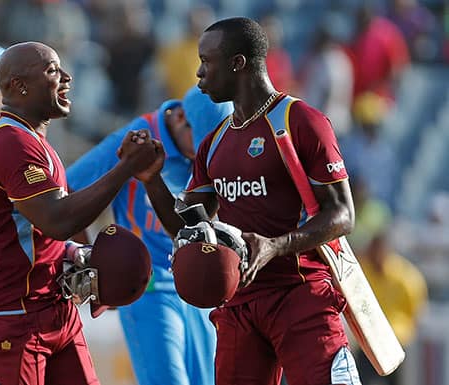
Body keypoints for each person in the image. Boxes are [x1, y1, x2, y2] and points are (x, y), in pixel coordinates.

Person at [138, 17, 362, 385]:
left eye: (207, 62)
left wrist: (277, 246)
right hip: (240, 303)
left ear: (238, 63)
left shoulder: (300, 120)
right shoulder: (214, 142)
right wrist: (151, 180)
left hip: (301, 293)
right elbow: (189, 230)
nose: (198, 73)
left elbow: (343, 214)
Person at [0, 41, 160, 385]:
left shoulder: (32, 138)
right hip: (9, 314)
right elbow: (58, 219)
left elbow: (33, 231)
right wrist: (125, 169)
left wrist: (72, 254)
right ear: (19, 86)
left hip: (50, 307)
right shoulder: (11, 141)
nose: (66, 78)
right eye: (52, 71)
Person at [67, 85, 232, 385]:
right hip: (150, 287)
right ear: (181, 117)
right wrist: (96, 270)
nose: (204, 158)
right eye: (199, 147)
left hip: (196, 287)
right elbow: (71, 189)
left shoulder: (213, 144)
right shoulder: (136, 140)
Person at [356, 227, 427, 385]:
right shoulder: (363, 272)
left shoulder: (406, 276)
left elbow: (417, 311)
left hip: (398, 342)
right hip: (369, 343)